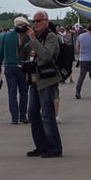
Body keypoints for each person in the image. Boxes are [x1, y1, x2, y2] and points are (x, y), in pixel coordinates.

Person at [25, 11, 62, 158]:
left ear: (46, 21)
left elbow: (46, 56)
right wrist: (22, 39)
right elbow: (23, 54)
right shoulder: (36, 37)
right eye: (34, 21)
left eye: (39, 21)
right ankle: (41, 146)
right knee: (33, 114)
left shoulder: (51, 36)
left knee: (47, 115)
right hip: (34, 80)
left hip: (47, 80)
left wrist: (33, 40)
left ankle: (54, 147)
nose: (35, 24)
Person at [0, 17, 31, 124]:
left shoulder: (6, 36)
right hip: (22, 67)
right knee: (24, 92)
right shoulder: (27, 37)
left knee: (12, 93)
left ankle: (14, 117)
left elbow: (0, 52)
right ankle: (23, 115)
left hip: (9, 66)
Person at [74, 22, 91, 99]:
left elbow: (77, 47)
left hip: (83, 59)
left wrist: (80, 53)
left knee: (81, 76)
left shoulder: (80, 36)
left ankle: (78, 92)